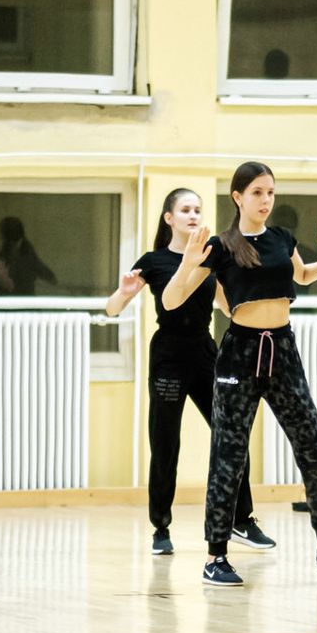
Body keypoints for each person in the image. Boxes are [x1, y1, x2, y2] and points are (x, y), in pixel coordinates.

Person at [167, 161, 317, 587]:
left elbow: (303, 276)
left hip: (283, 351)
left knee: (314, 448)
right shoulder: (221, 246)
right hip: (239, 355)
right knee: (229, 456)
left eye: (270, 192)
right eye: (257, 192)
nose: (266, 200)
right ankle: (216, 557)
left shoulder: (281, 238)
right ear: (238, 197)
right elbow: (171, 300)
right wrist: (187, 263)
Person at [105, 188, 268, 557]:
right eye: (185, 210)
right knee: (165, 444)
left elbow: (229, 306)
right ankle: (161, 528)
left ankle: (242, 519)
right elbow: (112, 309)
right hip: (168, 357)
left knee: (231, 435)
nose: (193, 215)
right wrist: (123, 292)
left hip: (205, 353)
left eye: (197, 209)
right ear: (170, 219)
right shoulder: (154, 261)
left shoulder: (210, 256)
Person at [0, 217, 58, 298]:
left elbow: (39, 268)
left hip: (20, 299)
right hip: (18, 299)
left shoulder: (26, 254)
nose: (0, 237)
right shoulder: (23, 250)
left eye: (2, 234)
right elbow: (42, 270)